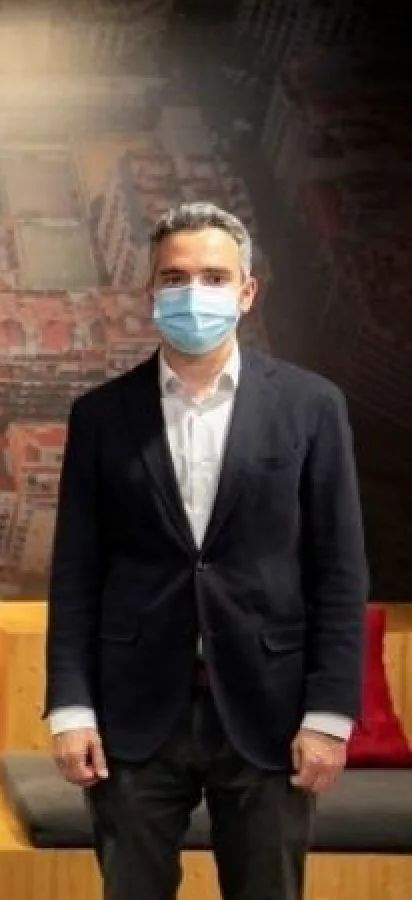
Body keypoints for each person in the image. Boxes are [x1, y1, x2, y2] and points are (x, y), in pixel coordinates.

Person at [45, 201, 369, 900]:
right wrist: (70, 708)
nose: (194, 293)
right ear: (150, 291)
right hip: (132, 713)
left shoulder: (312, 406)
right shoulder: (101, 415)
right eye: (175, 278)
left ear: (247, 292)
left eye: (214, 277)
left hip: (272, 712)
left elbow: (340, 572)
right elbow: (75, 573)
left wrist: (330, 715)